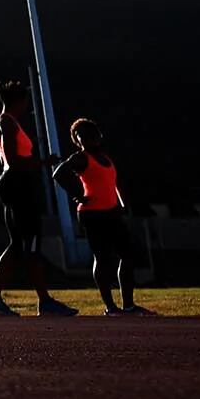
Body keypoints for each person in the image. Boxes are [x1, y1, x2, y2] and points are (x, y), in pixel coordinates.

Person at [0, 78, 77, 317]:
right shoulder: (8, 123)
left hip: (12, 184)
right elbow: (14, 161)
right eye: (25, 102)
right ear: (19, 101)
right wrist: (43, 162)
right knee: (30, 243)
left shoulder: (1, 122)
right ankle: (44, 301)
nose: (26, 107)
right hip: (17, 184)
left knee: (19, 243)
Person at [54, 118, 149, 315]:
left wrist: (123, 205)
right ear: (76, 140)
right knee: (103, 257)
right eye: (81, 136)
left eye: (90, 134)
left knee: (128, 255)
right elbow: (59, 173)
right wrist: (77, 195)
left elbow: (114, 183)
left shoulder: (106, 158)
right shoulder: (81, 158)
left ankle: (129, 305)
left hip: (112, 212)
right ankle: (111, 307)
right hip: (92, 214)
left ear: (98, 135)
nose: (87, 139)